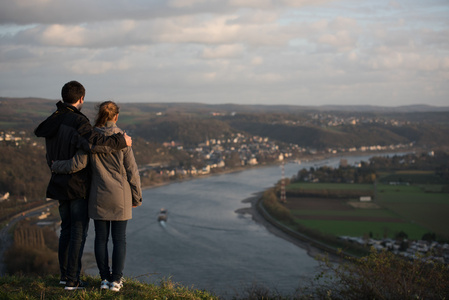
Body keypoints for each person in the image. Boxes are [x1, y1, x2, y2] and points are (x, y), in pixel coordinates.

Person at [34, 81, 132, 290]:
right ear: (81, 99)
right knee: (78, 231)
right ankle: (72, 280)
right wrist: (121, 141)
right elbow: (94, 144)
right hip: (76, 184)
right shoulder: (78, 121)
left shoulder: (53, 120)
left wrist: (56, 167)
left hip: (58, 181)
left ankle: (65, 276)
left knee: (66, 230)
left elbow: (50, 155)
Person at [52, 101, 142, 292]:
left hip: (98, 195)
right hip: (120, 196)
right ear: (116, 116)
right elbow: (132, 171)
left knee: (100, 238)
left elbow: (77, 164)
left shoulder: (90, 138)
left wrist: (56, 165)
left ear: (98, 115)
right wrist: (137, 197)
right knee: (119, 239)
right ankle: (116, 281)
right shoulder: (123, 140)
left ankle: (104, 279)